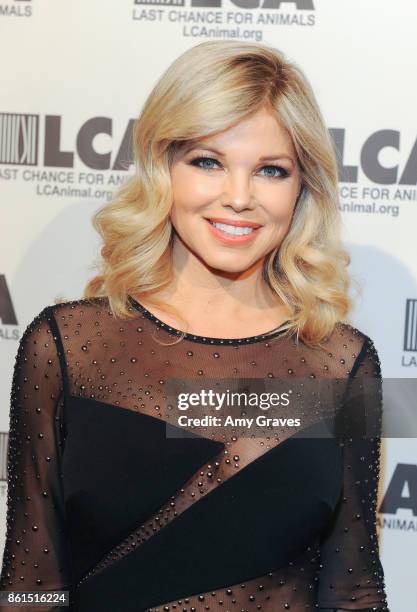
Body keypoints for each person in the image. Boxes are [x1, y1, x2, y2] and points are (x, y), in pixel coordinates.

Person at [0, 40, 389, 612]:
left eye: (271, 171)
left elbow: (353, 589)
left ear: (302, 187)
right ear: (163, 166)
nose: (239, 197)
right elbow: (32, 583)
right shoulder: (65, 348)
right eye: (207, 161)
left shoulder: (343, 363)